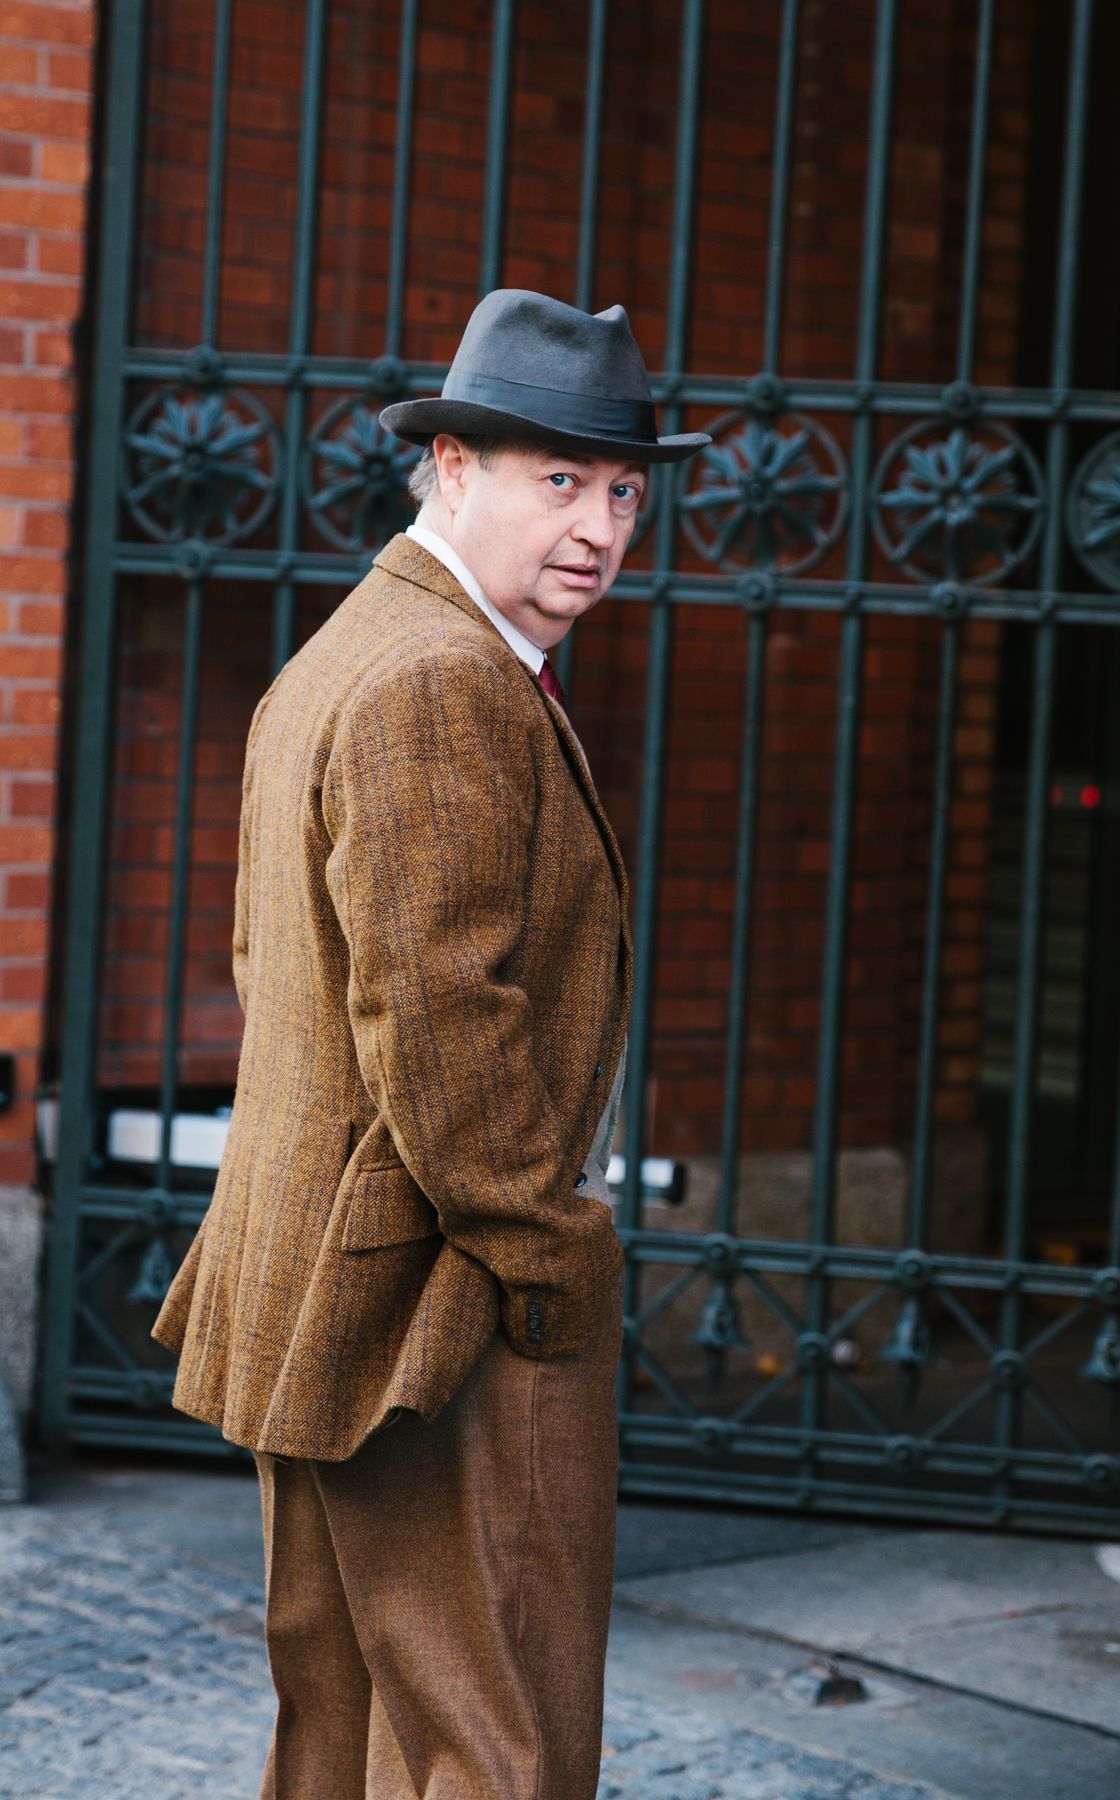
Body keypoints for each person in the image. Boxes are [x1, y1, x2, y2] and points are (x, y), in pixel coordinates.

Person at [151, 288, 709, 1800]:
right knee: (492, 1743)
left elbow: (280, 966)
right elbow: (441, 1018)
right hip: (435, 1315)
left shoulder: (361, 645)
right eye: (560, 479)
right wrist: (554, 1257)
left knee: (344, 1732)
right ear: (452, 465)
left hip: (333, 1289)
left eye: (624, 492)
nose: (598, 527)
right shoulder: (442, 677)